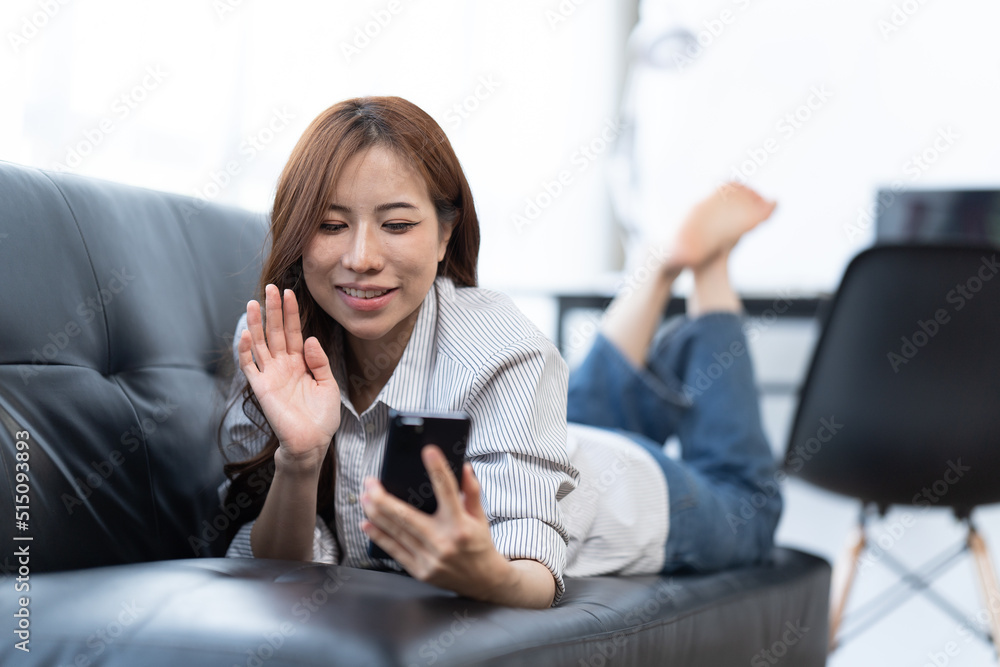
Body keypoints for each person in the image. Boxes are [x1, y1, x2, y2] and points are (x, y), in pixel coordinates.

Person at [218, 96, 782, 609]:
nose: (362, 257)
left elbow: (531, 577)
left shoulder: (503, 349)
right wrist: (299, 459)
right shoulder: (280, 358)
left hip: (631, 493)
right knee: (570, 415)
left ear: (445, 235)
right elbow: (280, 569)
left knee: (750, 500)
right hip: (554, 442)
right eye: (331, 225)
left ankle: (708, 269)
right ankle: (659, 268)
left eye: (396, 224)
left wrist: (483, 571)